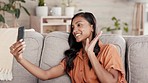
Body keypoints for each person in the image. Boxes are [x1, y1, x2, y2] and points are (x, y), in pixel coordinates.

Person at [10, 12, 127, 83]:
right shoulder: (74, 58)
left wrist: (91, 54)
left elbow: (111, 82)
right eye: (72, 27)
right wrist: (20, 59)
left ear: (92, 27)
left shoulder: (108, 50)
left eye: (79, 25)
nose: (74, 30)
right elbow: (45, 75)